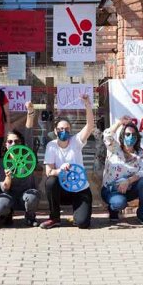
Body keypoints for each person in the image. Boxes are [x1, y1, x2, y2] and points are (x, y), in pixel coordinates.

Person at [41, 94, 95, 230]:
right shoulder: (51, 146)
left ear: (70, 130)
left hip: (79, 189)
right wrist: (60, 170)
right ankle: (54, 218)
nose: (63, 131)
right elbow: (49, 172)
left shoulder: (76, 142)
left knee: (82, 223)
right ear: (55, 131)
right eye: (60, 129)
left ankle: (78, 216)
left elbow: (90, 126)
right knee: (51, 182)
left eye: (66, 129)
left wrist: (87, 104)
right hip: (62, 189)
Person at [0, 102, 42, 227]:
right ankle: (7, 215)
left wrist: (30, 113)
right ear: (6, 144)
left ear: (21, 143)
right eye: (10, 141)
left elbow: (28, 131)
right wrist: (8, 177)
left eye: (16, 141)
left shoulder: (28, 156)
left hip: (26, 194)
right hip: (10, 196)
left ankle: (30, 216)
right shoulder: (2, 162)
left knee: (32, 197)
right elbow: (4, 188)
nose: (13, 144)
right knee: (0, 205)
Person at [100, 116, 143, 225]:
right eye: (127, 134)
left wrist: (128, 181)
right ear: (123, 136)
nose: (130, 137)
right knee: (119, 203)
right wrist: (119, 123)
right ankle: (113, 209)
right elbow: (107, 135)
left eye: (133, 135)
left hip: (128, 188)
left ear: (137, 137)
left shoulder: (139, 153)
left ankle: (142, 213)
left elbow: (142, 171)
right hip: (111, 189)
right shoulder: (114, 148)